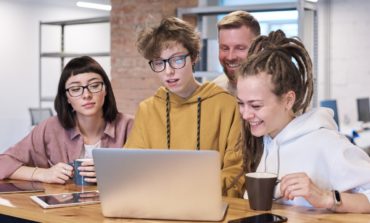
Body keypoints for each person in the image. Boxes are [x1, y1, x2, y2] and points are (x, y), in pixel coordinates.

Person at [237, 29, 370, 213]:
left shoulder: (326, 143)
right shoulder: (265, 140)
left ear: (288, 100)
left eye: (256, 106)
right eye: (241, 104)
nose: (245, 114)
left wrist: (326, 197)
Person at [124, 17, 244, 197]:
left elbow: (236, 170)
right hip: (157, 203)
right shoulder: (147, 109)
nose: (168, 71)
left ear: (194, 57)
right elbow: (131, 165)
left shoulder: (226, 105)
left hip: (208, 204)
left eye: (177, 60)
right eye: (159, 63)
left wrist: (193, 190)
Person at [0, 56, 133, 184]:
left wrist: (112, 173)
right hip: (62, 205)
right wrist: (42, 174)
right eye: (75, 89)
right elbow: (3, 163)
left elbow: (150, 172)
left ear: (106, 90)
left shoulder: (130, 126)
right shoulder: (50, 128)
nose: (86, 95)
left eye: (94, 85)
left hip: (116, 205)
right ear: (67, 98)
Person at [213, 10, 260, 95]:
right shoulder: (214, 92)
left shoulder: (278, 88)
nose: (230, 57)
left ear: (258, 48)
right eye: (225, 48)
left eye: (240, 48)